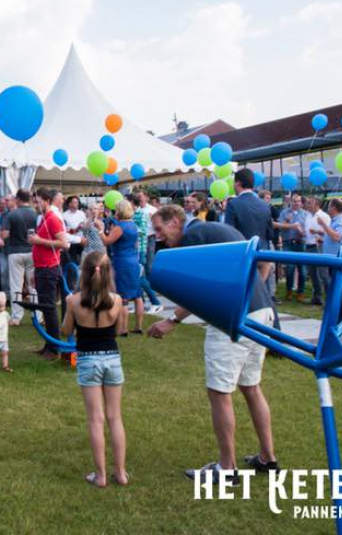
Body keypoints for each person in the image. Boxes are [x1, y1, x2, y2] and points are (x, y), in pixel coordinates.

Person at [147, 205, 279, 482]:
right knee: (251, 387)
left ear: (176, 222)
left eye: (160, 229)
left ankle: (226, 468)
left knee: (220, 393)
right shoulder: (218, 228)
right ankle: (267, 458)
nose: (158, 237)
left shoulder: (194, 237)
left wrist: (171, 321)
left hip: (231, 319)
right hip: (262, 312)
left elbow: (197, 289)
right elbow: (263, 263)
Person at [61, 251, 128, 488]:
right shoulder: (118, 300)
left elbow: (65, 330)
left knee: (96, 420)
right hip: (112, 359)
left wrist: (77, 322)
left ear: (84, 273)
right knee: (114, 417)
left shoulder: (73, 301)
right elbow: (121, 330)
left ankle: (100, 477)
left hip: (88, 360)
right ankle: (120, 473)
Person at [224, 168, 277, 306]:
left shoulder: (233, 204)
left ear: (238, 183)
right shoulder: (264, 205)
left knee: (241, 300)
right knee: (261, 297)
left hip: (243, 256)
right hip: (262, 256)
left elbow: (229, 233)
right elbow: (270, 233)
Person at [29, 188, 69, 359]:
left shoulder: (52, 219)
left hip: (48, 269)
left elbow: (64, 243)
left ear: (46, 200)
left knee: (49, 308)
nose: (35, 205)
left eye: (37, 201)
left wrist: (39, 240)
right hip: (42, 268)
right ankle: (49, 345)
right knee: (46, 308)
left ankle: (54, 349)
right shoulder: (44, 218)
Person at [102, 200, 142, 335]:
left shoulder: (120, 227)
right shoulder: (133, 225)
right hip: (133, 260)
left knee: (123, 296)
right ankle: (138, 326)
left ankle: (123, 329)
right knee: (137, 295)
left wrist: (101, 231)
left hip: (122, 261)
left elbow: (107, 241)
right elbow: (136, 245)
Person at [2, 189, 36, 325]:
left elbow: (4, 235)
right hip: (32, 252)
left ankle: (16, 317)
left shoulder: (11, 214)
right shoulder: (35, 214)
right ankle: (37, 316)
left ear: (18, 199)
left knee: (16, 286)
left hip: (15, 252)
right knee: (33, 285)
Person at [317, 198, 342, 318]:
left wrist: (323, 225)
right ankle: (337, 313)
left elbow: (337, 237)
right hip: (333, 259)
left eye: (329, 206)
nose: (327, 208)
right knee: (337, 287)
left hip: (341, 259)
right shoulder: (334, 221)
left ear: (333, 207)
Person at [274, 194, 307, 301]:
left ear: (301, 203)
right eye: (294, 201)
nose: (296, 203)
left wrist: (303, 232)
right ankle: (289, 291)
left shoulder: (305, 214)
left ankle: (300, 293)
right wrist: (287, 221)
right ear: (291, 202)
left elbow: (307, 229)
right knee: (289, 268)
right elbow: (279, 226)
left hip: (301, 243)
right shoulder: (284, 212)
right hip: (288, 243)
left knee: (302, 270)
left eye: (298, 201)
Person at [303, 196, 330, 305]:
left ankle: (330, 296)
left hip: (319, 246)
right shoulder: (308, 216)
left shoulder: (324, 216)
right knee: (312, 273)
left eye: (309, 202)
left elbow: (328, 232)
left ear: (316, 204)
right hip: (308, 246)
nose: (307, 204)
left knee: (323, 273)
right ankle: (317, 296)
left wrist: (317, 232)